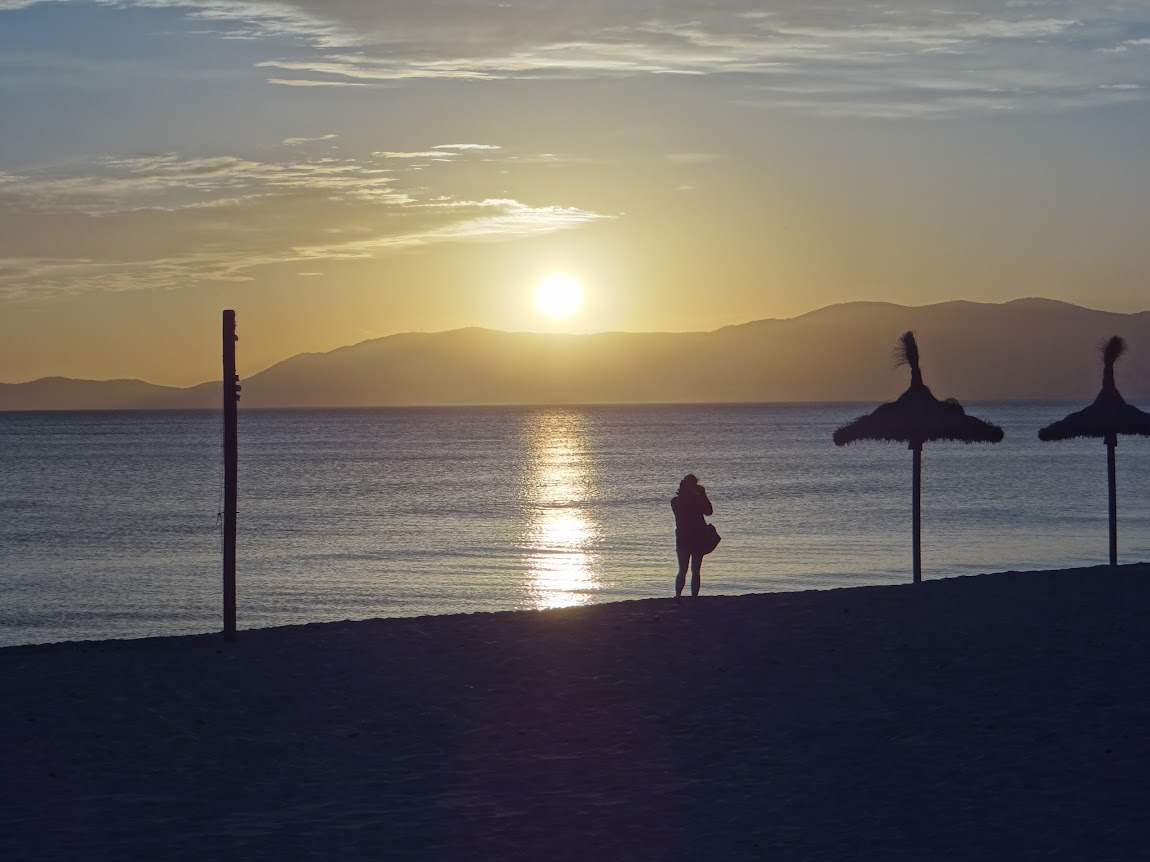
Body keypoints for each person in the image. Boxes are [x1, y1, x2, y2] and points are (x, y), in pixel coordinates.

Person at [671, 473, 713, 598]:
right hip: (694, 537)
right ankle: (691, 596)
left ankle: (679, 596)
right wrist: (702, 495)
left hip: (686, 537)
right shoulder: (685, 501)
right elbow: (708, 511)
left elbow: (709, 511)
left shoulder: (676, 501)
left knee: (684, 570)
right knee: (693, 570)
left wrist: (701, 496)